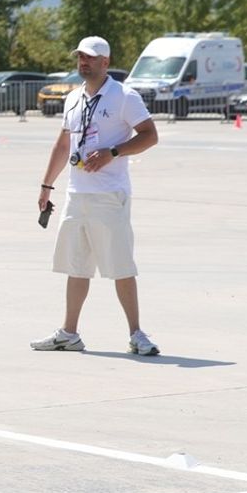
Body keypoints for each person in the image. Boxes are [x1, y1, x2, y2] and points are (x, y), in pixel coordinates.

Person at [33, 36, 160, 356]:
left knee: (120, 265)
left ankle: (136, 333)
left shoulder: (123, 97)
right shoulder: (73, 98)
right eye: (80, 57)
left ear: (106, 62)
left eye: (90, 58)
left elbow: (150, 136)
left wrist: (113, 151)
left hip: (109, 194)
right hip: (77, 194)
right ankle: (69, 332)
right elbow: (63, 145)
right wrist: (47, 185)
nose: (83, 63)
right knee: (77, 265)